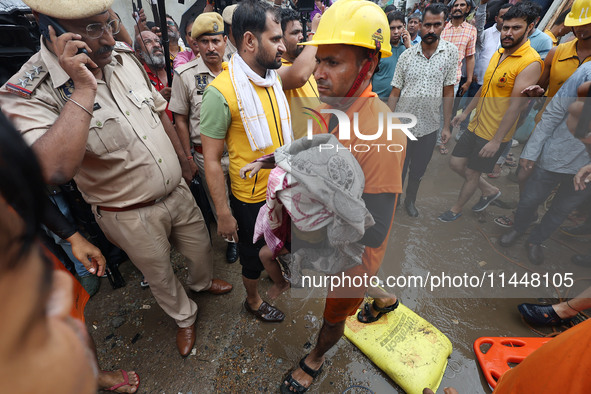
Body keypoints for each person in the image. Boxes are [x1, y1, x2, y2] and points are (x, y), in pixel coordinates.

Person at [0, 0, 232, 357]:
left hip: (177, 192)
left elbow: (159, 112)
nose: (109, 38)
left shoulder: (122, 56)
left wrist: (186, 162)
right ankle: (185, 317)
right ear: (46, 25)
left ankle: (201, 284)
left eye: (109, 22)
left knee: (201, 249)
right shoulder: (28, 93)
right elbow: (53, 170)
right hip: (128, 212)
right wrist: (82, 88)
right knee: (160, 275)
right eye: (93, 29)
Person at [280, 0, 406, 391]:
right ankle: (385, 299)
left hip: (353, 256)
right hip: (343, 240)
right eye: (317, 60)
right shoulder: (334, 107)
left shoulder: (382, 132)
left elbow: (374, 232)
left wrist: (305, 210)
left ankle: (315, 358)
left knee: (335, 314)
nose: (317, 73)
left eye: (332, 62)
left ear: (368, 65)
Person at [201, 0, 292, 323]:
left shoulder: (272, 78)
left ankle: (275, 271)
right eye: (276, 38)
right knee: (252, 259)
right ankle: (253, 301)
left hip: (282, 183)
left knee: (277, 245)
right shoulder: (220, 93)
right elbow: (211, 160)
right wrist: (224, 214)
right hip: (251, 198)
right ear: (250, 41)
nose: (283, 46)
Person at [439, 2, 543, 222]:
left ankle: (456, 209)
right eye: (506, 27)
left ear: (530, 27)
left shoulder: (530, 62)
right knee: (456, 163)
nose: (508, 33)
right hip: (476, 124)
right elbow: (484, 89)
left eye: (516, 28)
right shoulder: (499, 53)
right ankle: (490, 191)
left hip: (494, 133)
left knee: (472, 173)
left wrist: (496, 141)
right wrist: (465, 114)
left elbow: (516, 106)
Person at [498, 61, 591, 264]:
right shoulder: (587, 72)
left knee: (562, 209)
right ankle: (518, 228)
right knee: (530, 199)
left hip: (587, 168)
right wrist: (531, 151)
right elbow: (555, 111)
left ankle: (536, 240)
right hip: (557, 153)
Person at [169, 12, 239, 264]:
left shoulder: (237, 68)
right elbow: (181, 119)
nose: (211, 47)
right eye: (204, 41)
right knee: (219, 201)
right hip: (204, 154)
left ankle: (251, 234)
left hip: (239, 150)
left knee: (243, 197)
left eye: (216, 40)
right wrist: (187, 157)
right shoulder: (185, 75)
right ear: (195, 45)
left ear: (224, 41)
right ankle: (232, 241)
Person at [388, 3, 458, 217]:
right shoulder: (406, 56)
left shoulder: (450, 53)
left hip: (429, 127)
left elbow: (448, 92)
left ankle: (410, 200)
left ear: (443, 25)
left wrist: (446, 126)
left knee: (418, 171)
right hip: (402, 126)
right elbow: (394, 93)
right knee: (398, 168)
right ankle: (395, 200)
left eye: (436, 25)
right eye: (427, 25)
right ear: (418, 26)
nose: (430, 30)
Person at [436, 0, 477, 155]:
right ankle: (424, 137)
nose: (458, 8)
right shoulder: (442, 26)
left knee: (445, 112)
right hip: (434, 76)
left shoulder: (471, 30)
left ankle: (440, 141)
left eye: (462, 5)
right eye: (455, 5)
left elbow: (470, 57)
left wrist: (468, 80)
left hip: (453, 79)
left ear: (468, 9)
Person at [372, 10, 412, 100]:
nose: (396, 32)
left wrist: (408, 47)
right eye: (392, 28)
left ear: (404, 27)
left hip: (401, 102)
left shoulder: (410, 47)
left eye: (399, 27)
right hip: (379, 101)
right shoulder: (379, 48)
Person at [133, 30, 173, 120]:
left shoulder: (176, 72)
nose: (156, 45)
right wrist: (157, 98)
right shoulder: (139, 78)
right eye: (148, 42)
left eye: (157, 41)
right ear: (140, 53)